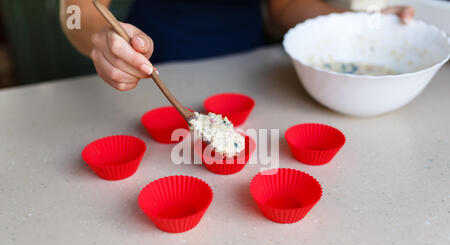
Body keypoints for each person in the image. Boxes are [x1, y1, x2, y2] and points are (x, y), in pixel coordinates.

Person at [61, 0, 415, 92]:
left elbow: (285, 8)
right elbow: (76, 8)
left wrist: (362, 22)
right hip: (151, 74)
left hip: (252, 76)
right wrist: (102, 39)